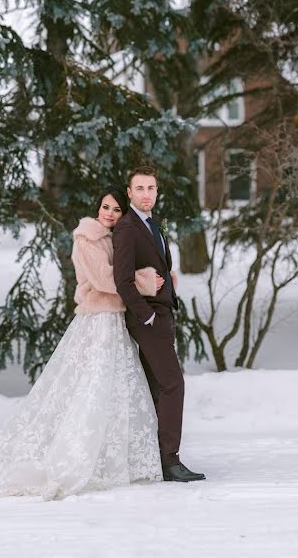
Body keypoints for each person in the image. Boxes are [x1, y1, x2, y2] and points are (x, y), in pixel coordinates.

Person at [0, 187, 165, 500]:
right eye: (105, 208)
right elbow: (106, 280)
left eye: (116, 210)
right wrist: (146, 281)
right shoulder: (87, 238)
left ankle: (112, 456)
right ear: (97, 208)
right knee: (93, 386)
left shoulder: (113, 237)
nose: (110, 214)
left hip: (112, 317)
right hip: (98, 318)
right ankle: (82, 454)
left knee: (112, 388)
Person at [113, 165, 206, 483]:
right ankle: (170, 460)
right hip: (148, 318)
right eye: (139, 188)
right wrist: (147, 315)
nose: (146, 194)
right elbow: (122, 280)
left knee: (156, 387)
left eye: (151, 188)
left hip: (163, 313)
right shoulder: (127, 227)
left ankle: (155, 458)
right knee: (173, 384)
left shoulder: (152, 223)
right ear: (129, 193)